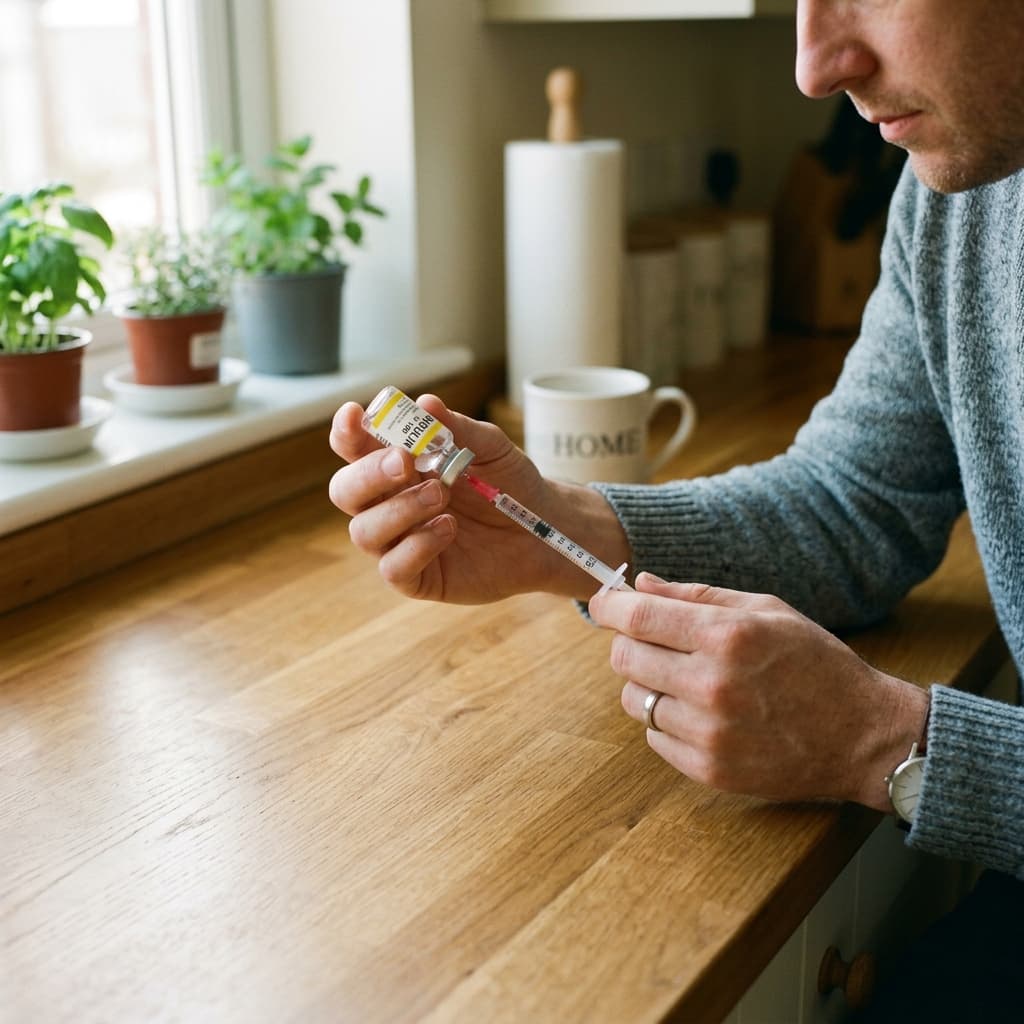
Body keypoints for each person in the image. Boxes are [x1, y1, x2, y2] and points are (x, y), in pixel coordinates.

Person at [329, 1, 1023, 1017]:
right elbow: (852, 501)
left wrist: (888, 743)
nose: (814, 65)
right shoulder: (959, 199)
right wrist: (556, 526)